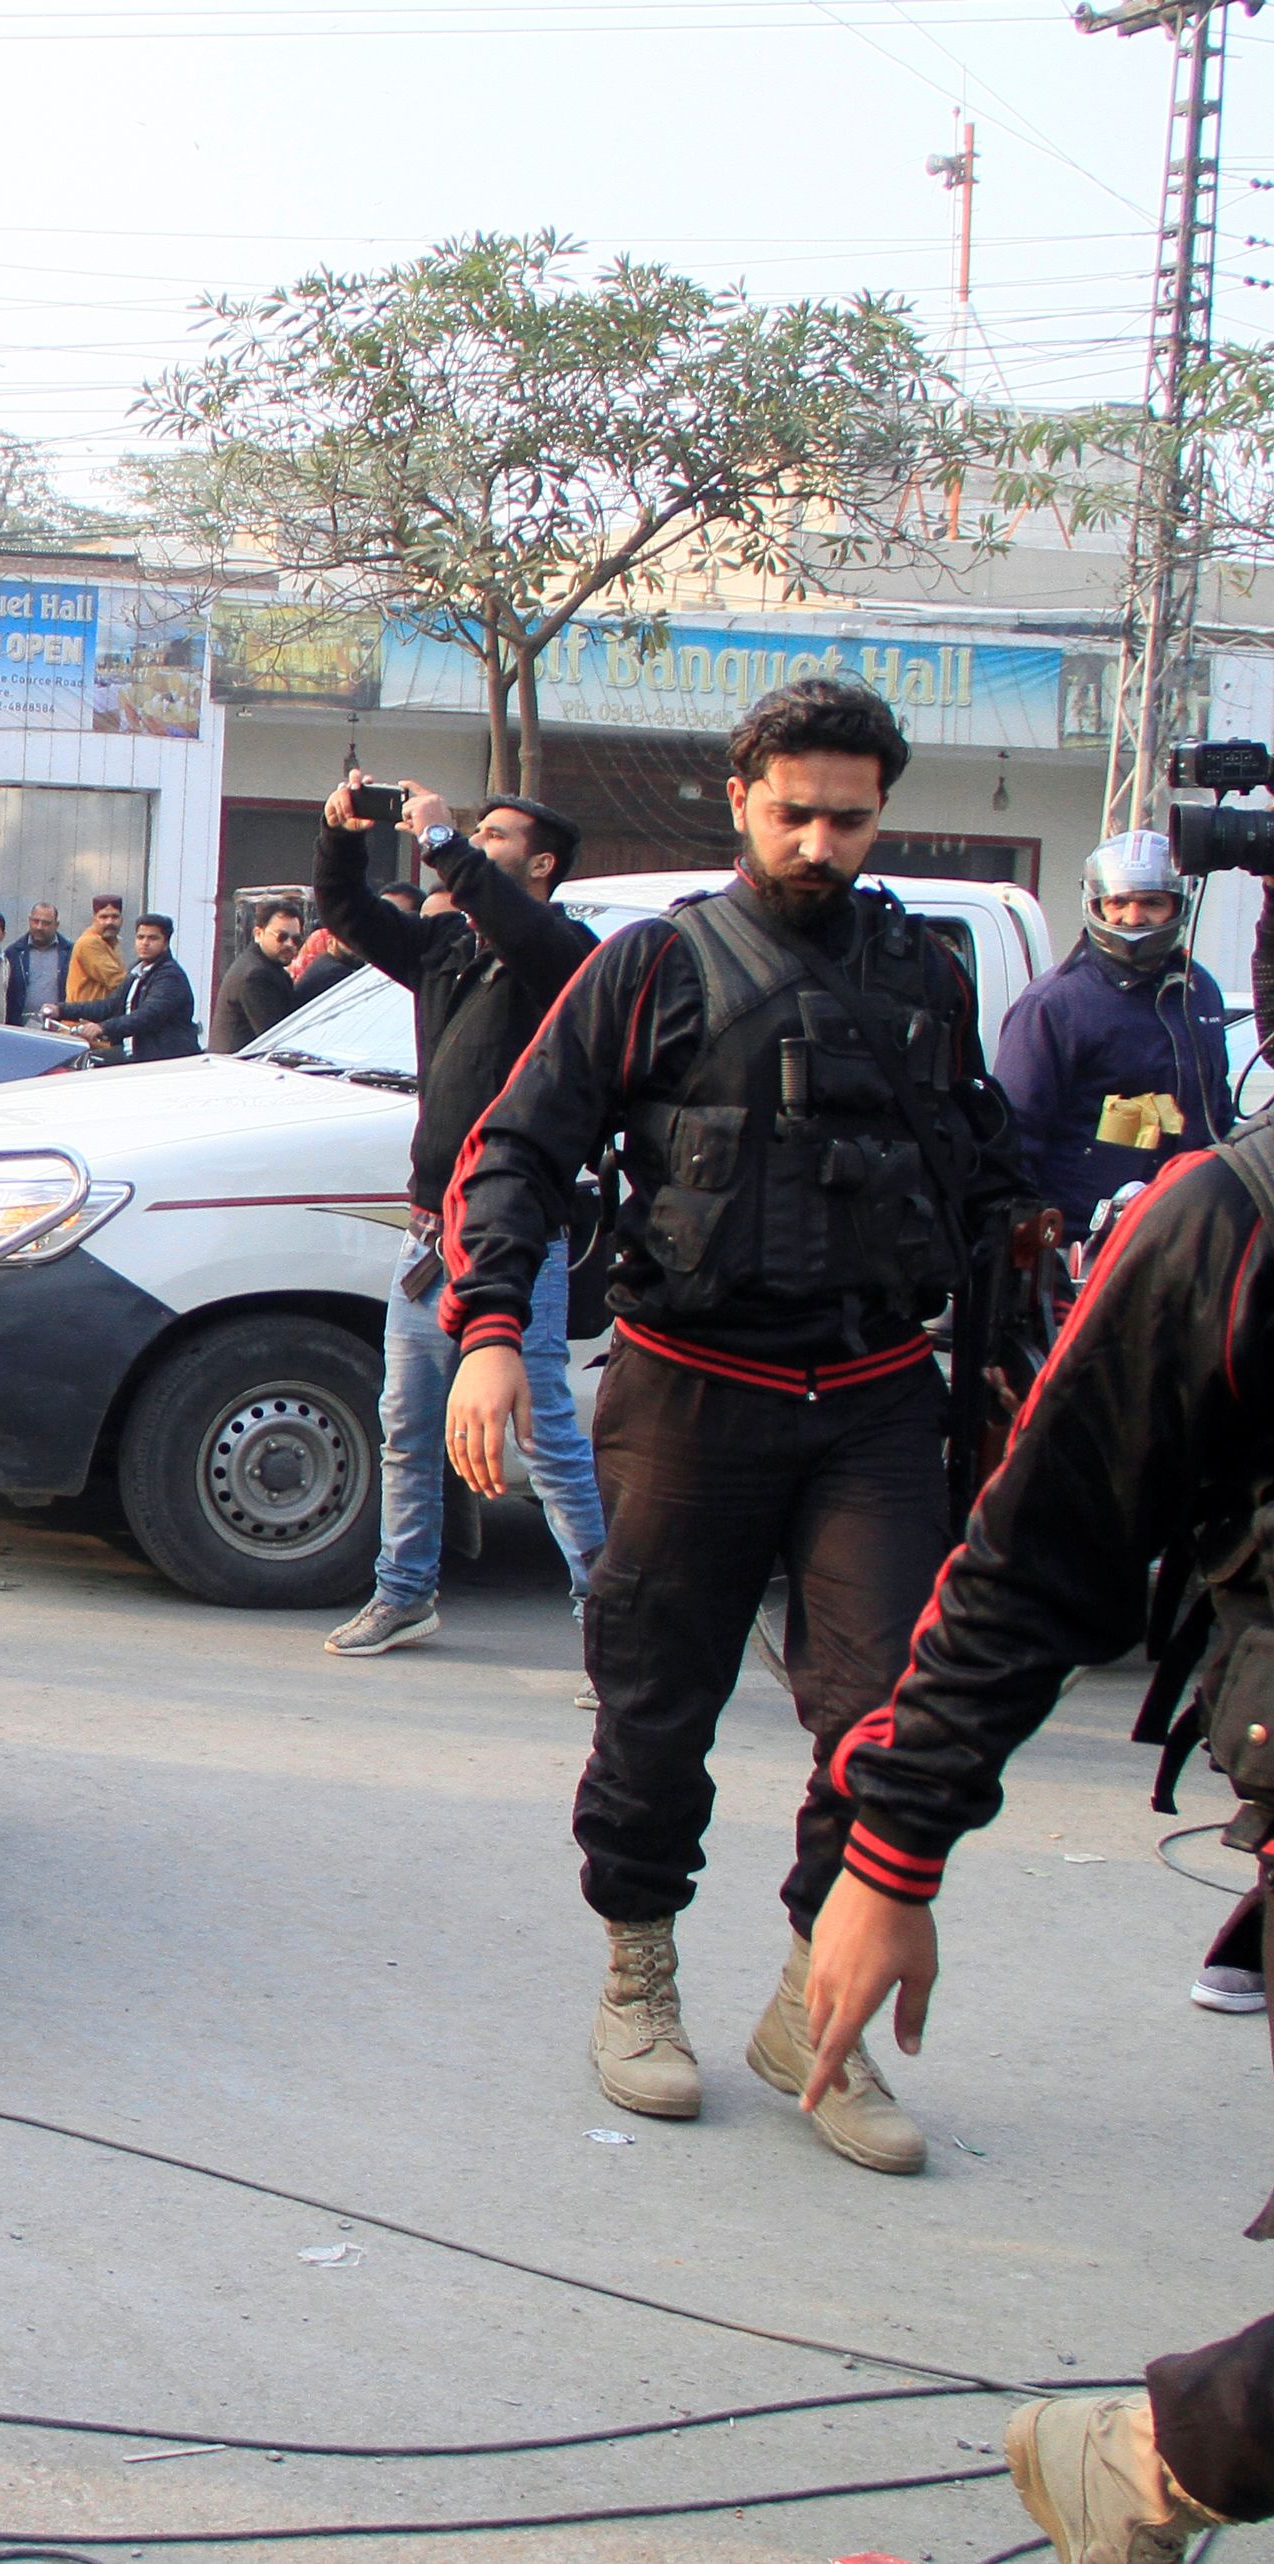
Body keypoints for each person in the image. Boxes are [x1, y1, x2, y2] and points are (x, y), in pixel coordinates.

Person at [440, 678, 1048, 2176]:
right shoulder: (651, 968)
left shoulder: (923, 973)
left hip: (874, 1404)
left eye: (850, 816)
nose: (822, 841)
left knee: (887, 1727)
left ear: (880, 814)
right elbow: (514, 1154)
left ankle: (808, 2016)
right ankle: (639, 1975)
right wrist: (491, 1337)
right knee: (657, 1707)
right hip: (687, 1394)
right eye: (796, 813)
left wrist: (1043, 1311)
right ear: (740, 799)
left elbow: (978, 1170)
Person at [792, 1120, 1274, 2554]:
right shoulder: (1231, 1223)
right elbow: (1041, 1549)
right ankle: (1164, 2458)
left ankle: (1159, 2462)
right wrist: (892, 1856)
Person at [312, 772, 609, 1662]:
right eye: (473, 833)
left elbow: (525, 931)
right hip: (429, 1232)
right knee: (407, 1421)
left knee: (540, 1428)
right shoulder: (448, 947)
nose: (479, 843)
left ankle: (609, 1620)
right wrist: (342, 834)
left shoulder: (564, 952)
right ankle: (404, 1595)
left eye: (498, 836)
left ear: (543, 863)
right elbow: (347, 908)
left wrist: (443, 843)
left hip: (516, 1238)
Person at [993, 828, 1230, 1254]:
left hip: (1186, 1240)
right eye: (1118, 901)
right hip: (1084, 1248)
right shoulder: (1055, 1004)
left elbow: (1217, 1111)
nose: (1133, 918)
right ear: (1096, 903)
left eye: (1152, 902)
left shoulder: (1199, 991)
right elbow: (1012, 1143)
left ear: (1179, 904)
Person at [49, 912, 198, 1063]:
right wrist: (60, 1010)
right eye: (140, 937)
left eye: (153, 938)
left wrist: (103, 1028)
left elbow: (147, 1016)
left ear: (165, 943)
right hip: (134, 1053)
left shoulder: (170, 976)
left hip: (162, 1060)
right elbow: (110, 1005)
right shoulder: (137, 970)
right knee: (82, 1062)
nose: (145, 943)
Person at [208, 897, 306, 1055]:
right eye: (281, 937)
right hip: (238, 1068)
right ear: (258, 934)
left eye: (296, 939)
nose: (289, 944)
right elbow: (274, 1037)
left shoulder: (267, 967)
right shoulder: (256, 974)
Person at [2, 899, 74, 1026]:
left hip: (59, 1027)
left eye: (46, 923)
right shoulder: (14, 953)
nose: (39, 927)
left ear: (56, 925)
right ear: (29, 921)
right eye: (35, 921)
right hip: (21, 1028)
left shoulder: (70, 952)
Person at [65, 891, 128, 1010]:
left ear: (122, 919)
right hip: (81, 1023)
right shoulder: (90, 942)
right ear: (94, 919)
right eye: (103, 917)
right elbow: (118, 981)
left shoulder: (111, 942)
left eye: (115, 917)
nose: (110, 922)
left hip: (96, 1021)